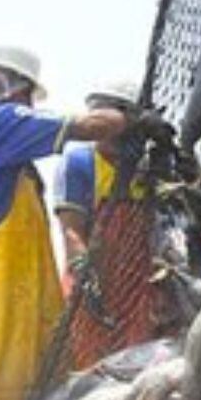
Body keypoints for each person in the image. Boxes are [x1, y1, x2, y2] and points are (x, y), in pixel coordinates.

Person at [0, 47, 158, 400]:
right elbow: (90, 125)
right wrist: (135, 119)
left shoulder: (2, 147)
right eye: (26, 96)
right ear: (12, 86)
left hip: (15, 297)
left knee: (33, 399)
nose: (28, 106)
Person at [53, 81, 142, 295]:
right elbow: (71, 230)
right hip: (90, 280)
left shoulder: (148, 167)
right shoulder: (80, 162)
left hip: (139, 281)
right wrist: (85, 272)